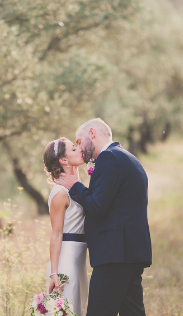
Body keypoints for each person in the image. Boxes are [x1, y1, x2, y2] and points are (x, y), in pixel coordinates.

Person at [57, 118, 152, 316]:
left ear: (92, 133)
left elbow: (97, 206)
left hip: (114, 255)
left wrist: (75, 185)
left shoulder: (109, 158)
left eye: (79, 141)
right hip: (129, 252)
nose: (80, 148)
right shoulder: (126, 157)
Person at [43, 137, 88, 316]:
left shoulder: (75, 188)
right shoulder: (60, 193)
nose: (80, 149)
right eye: (74, 149)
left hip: (79, 260)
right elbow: (55, 234)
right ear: (63, 160)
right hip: (66, 262)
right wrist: (54, 273)